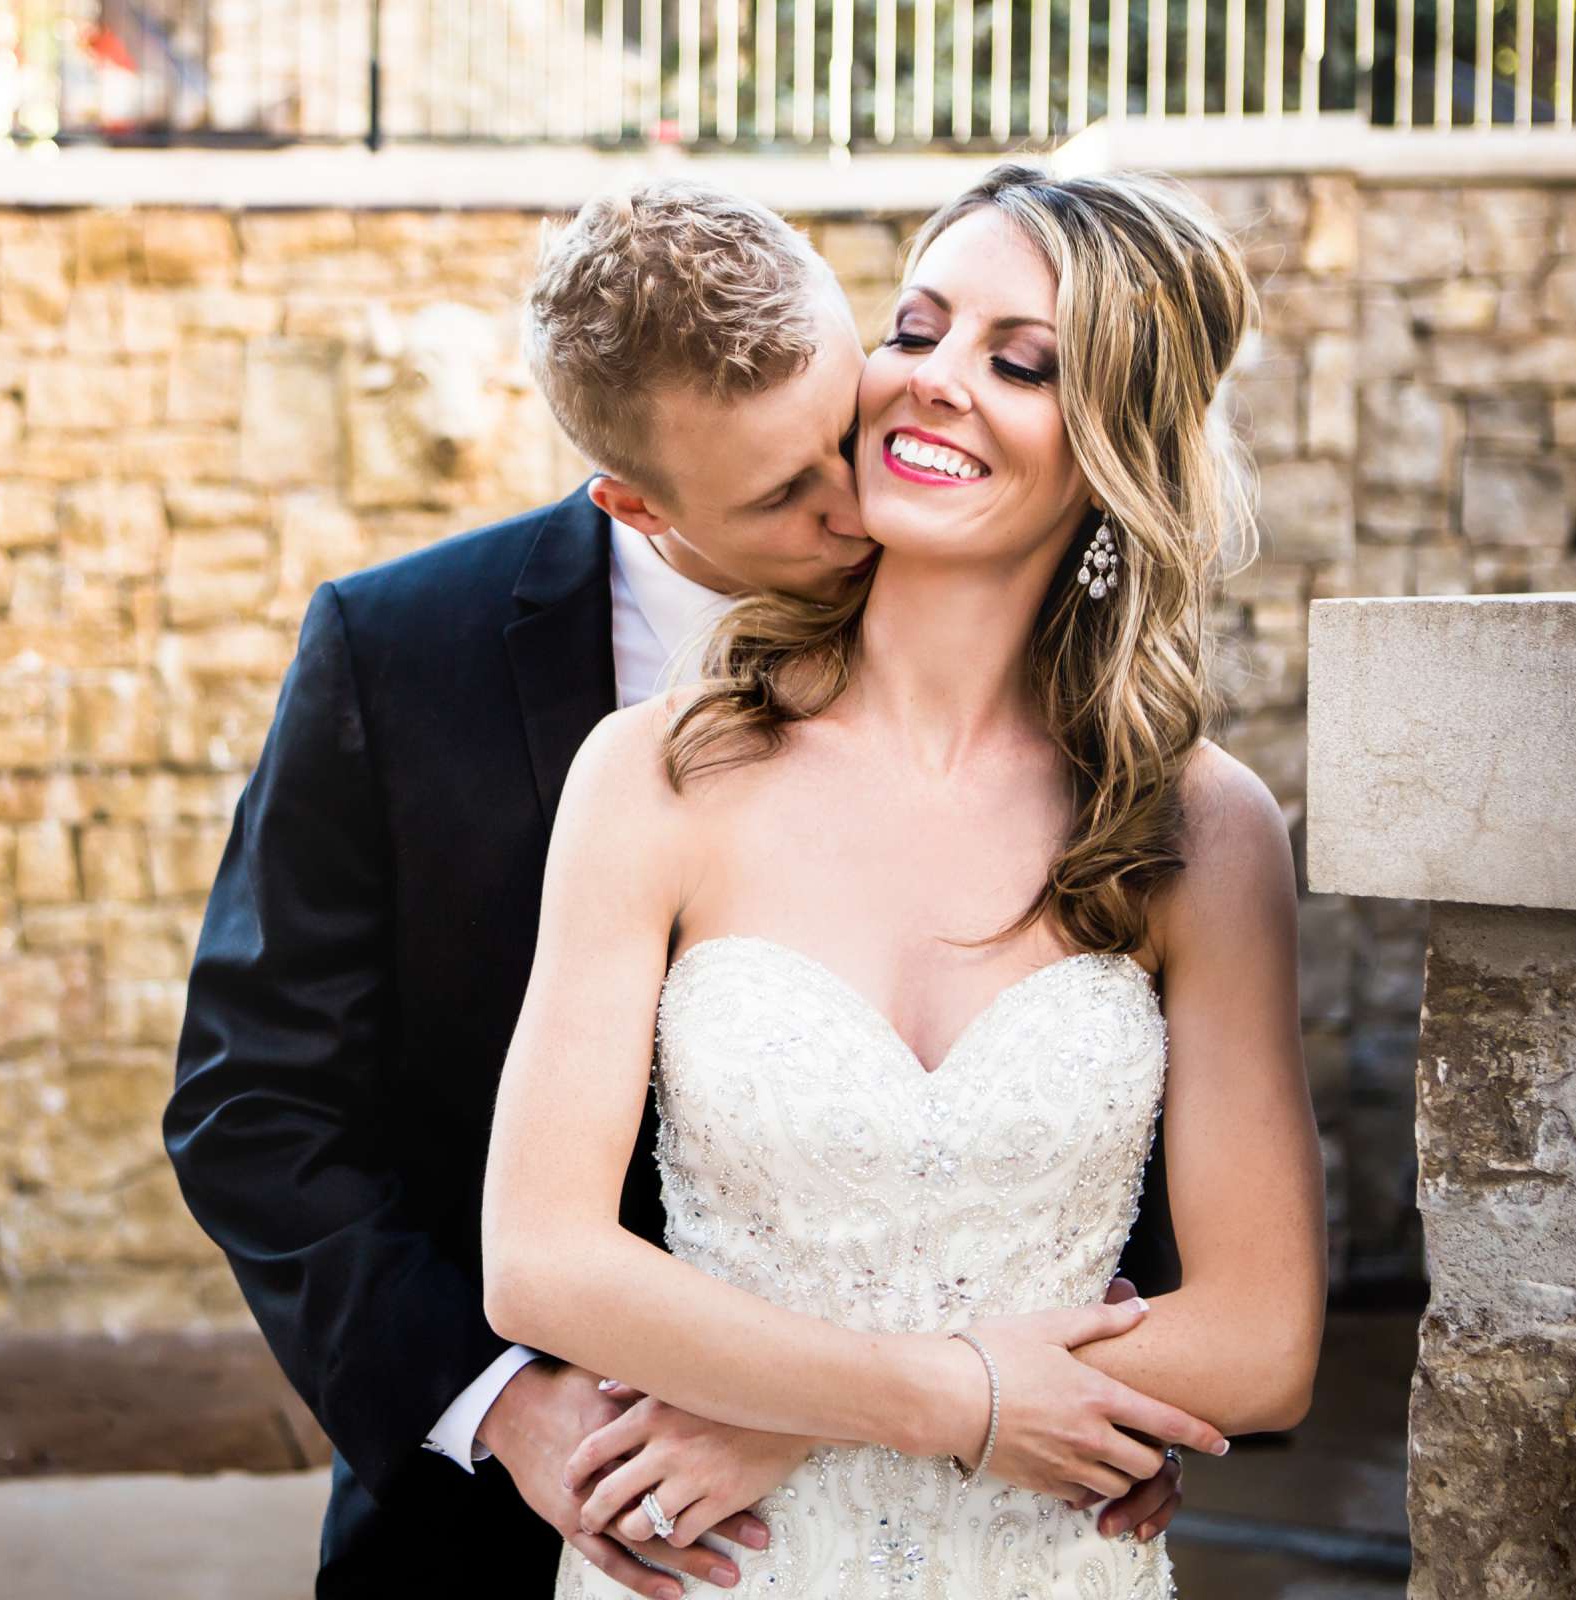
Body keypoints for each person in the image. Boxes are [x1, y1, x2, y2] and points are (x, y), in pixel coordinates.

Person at [164, 177, 1189, 1600]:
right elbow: (253, 1106)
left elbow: (1084, 1046)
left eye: (847, 426)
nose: (859, 495)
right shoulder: (396, 655)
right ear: (635, 501)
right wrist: (513, 1412)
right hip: (508, 1518)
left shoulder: (1051, 672)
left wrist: (1085, 1369)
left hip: (982, 1498)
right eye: (785, 491)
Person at [482, 164, 1327, 1599]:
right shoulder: (655, 775)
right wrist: (947, 1403)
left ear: (1116, 441)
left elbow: (1263, 1342)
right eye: (917, 328)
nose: (933, 381)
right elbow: (544, 1259)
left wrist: (787, 1414)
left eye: (1020, 363)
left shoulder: (1203, 827)